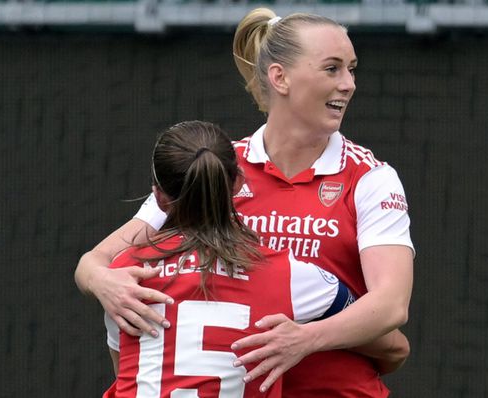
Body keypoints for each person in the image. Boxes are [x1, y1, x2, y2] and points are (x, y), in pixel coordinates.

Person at [76, 7, 414, 397]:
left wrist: (305, 338)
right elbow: (97, 261)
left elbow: (390, 307)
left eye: (352, 69)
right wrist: (106, 285)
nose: (349, 84)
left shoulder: (369, 177)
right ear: (280, 77)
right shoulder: (217, 167)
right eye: (332, 68)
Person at [102, 120, 358, 397]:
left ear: (159, 197)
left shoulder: (123, 278)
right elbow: (384, 339)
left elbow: (127, 369)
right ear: (237, 183)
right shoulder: (286, 273)